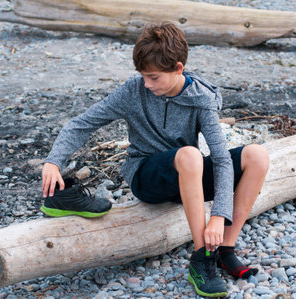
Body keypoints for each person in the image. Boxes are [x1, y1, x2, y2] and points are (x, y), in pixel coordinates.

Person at [41, 22, 269, 297]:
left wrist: (219, 216)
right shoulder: (133, 91)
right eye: (143, 76)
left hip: (189, 176)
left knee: (256, 155)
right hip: (148, 177)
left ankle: (224, 249)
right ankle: (202, 258)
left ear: (178, 68)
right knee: (190, 155)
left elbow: (221, 159)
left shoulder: (201, 99)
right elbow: (83, 123)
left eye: (154, 77)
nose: (147, 85)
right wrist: (54, 161)